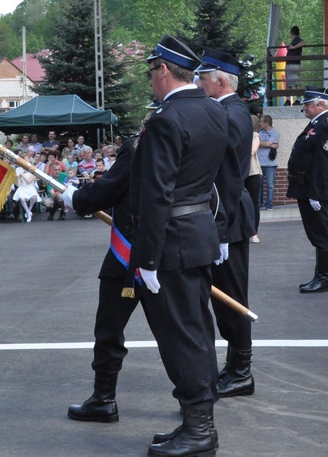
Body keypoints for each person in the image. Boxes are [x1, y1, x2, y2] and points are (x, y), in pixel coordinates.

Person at [132, 35, 228, 456]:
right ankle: (196, 423)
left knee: (180, 336)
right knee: (198, 331)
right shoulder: (211, 109)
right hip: (199, 235)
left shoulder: (167, 119)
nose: (151, 80)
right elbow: (217, 181)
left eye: (151, 71)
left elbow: (156, 194)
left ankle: (199, 429)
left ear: (164, 71)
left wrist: (148, 257)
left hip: (172, 243)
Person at [65, 131, 141, 424]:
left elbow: (110, 188)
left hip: (132, 252)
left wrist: (77, 198)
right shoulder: (199, 132)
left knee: (109, 329)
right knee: (179, 333)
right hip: (174, 249)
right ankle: (196, 405)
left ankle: (103, 399)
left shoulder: (142, 144)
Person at [195, 47, 256, 399]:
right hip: (224, 214)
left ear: (220, 81)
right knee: (225, 298)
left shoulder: (231, 114)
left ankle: (242, 370)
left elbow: (226, 177)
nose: (199, 84)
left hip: (227, 215)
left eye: (203, 79)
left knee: (232, 297)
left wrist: (220, 228)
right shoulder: (226, 111)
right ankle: (235, 366)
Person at [287, 87, 328, 293]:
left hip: (315, 189)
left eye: (308, 104)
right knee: (315, 233)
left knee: (320, 234)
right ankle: (320, 277)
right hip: (307, 187)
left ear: (321, 104)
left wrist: (315, 193)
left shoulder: (327, 125)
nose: (304, 108)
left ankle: (323, 278)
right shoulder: (317, 124)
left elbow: (324, 162)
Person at [258, 115, 279, 210]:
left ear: (267, 123)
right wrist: (266, 144)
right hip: (259, 162)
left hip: (270, 164)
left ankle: (269, 204)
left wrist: (260, 144)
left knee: (270, 185)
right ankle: (259, 204)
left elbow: (267, 144)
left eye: (261, 122)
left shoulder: (275, 133)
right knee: (259, 185)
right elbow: (262, 144)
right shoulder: (259, 133)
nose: (260, 123)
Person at [247, 116, 263, 243]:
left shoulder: (254, 135)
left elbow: (253, 151)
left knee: (253, 203)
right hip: (240, 173)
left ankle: (254, 232)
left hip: (252, 172)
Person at [12, 153, 40, 223]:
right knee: (22, 198)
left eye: (27, 159)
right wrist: (17, 177)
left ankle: (29, 210)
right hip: (22, 187)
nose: (26, 161)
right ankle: (28, 212)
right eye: (24, 160)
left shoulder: (33, 169)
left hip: (30, 187)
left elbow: (29, 182)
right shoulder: (18, 169)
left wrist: (22, 174)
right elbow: (18, 184)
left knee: (34, 197)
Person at [285, 26, 306, 99]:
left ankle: (296, 99)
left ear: (291, 33)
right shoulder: (295, 40)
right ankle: (297, 99)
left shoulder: (297, 40)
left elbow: (304, 42)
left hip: (293, 64)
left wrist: (293, 47)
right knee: (295, 83)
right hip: (294, 64)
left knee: (292, 84)